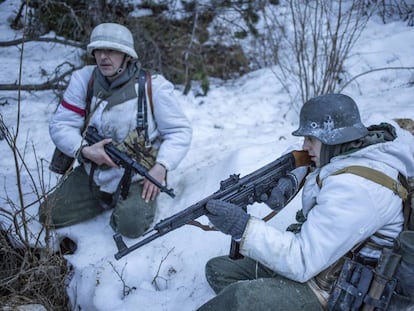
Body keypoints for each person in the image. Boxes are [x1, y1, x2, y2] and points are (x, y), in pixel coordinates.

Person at [197, 94, 414, 310]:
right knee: (220, 270)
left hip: (337, 288)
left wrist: (242, 227)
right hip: (325, 261)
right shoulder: (365, 146)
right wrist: (293, 176)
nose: (304, 145)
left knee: (240, 297)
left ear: (334, 139)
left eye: (310, 139)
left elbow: (301, 260)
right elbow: (312, 155)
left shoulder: (356, 189)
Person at [39, 23, 192, 241]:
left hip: (139, 175)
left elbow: (179, 131)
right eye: (99, 51)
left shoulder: (154, 86)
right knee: (48, 215)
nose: (103, 57)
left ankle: (123, 204)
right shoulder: (84, 79)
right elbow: (61, 124)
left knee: (130, 225)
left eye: (111, 51)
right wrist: (83, 150)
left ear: (127, 56)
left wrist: (162, 167)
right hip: (94, 170)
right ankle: (103, 198)